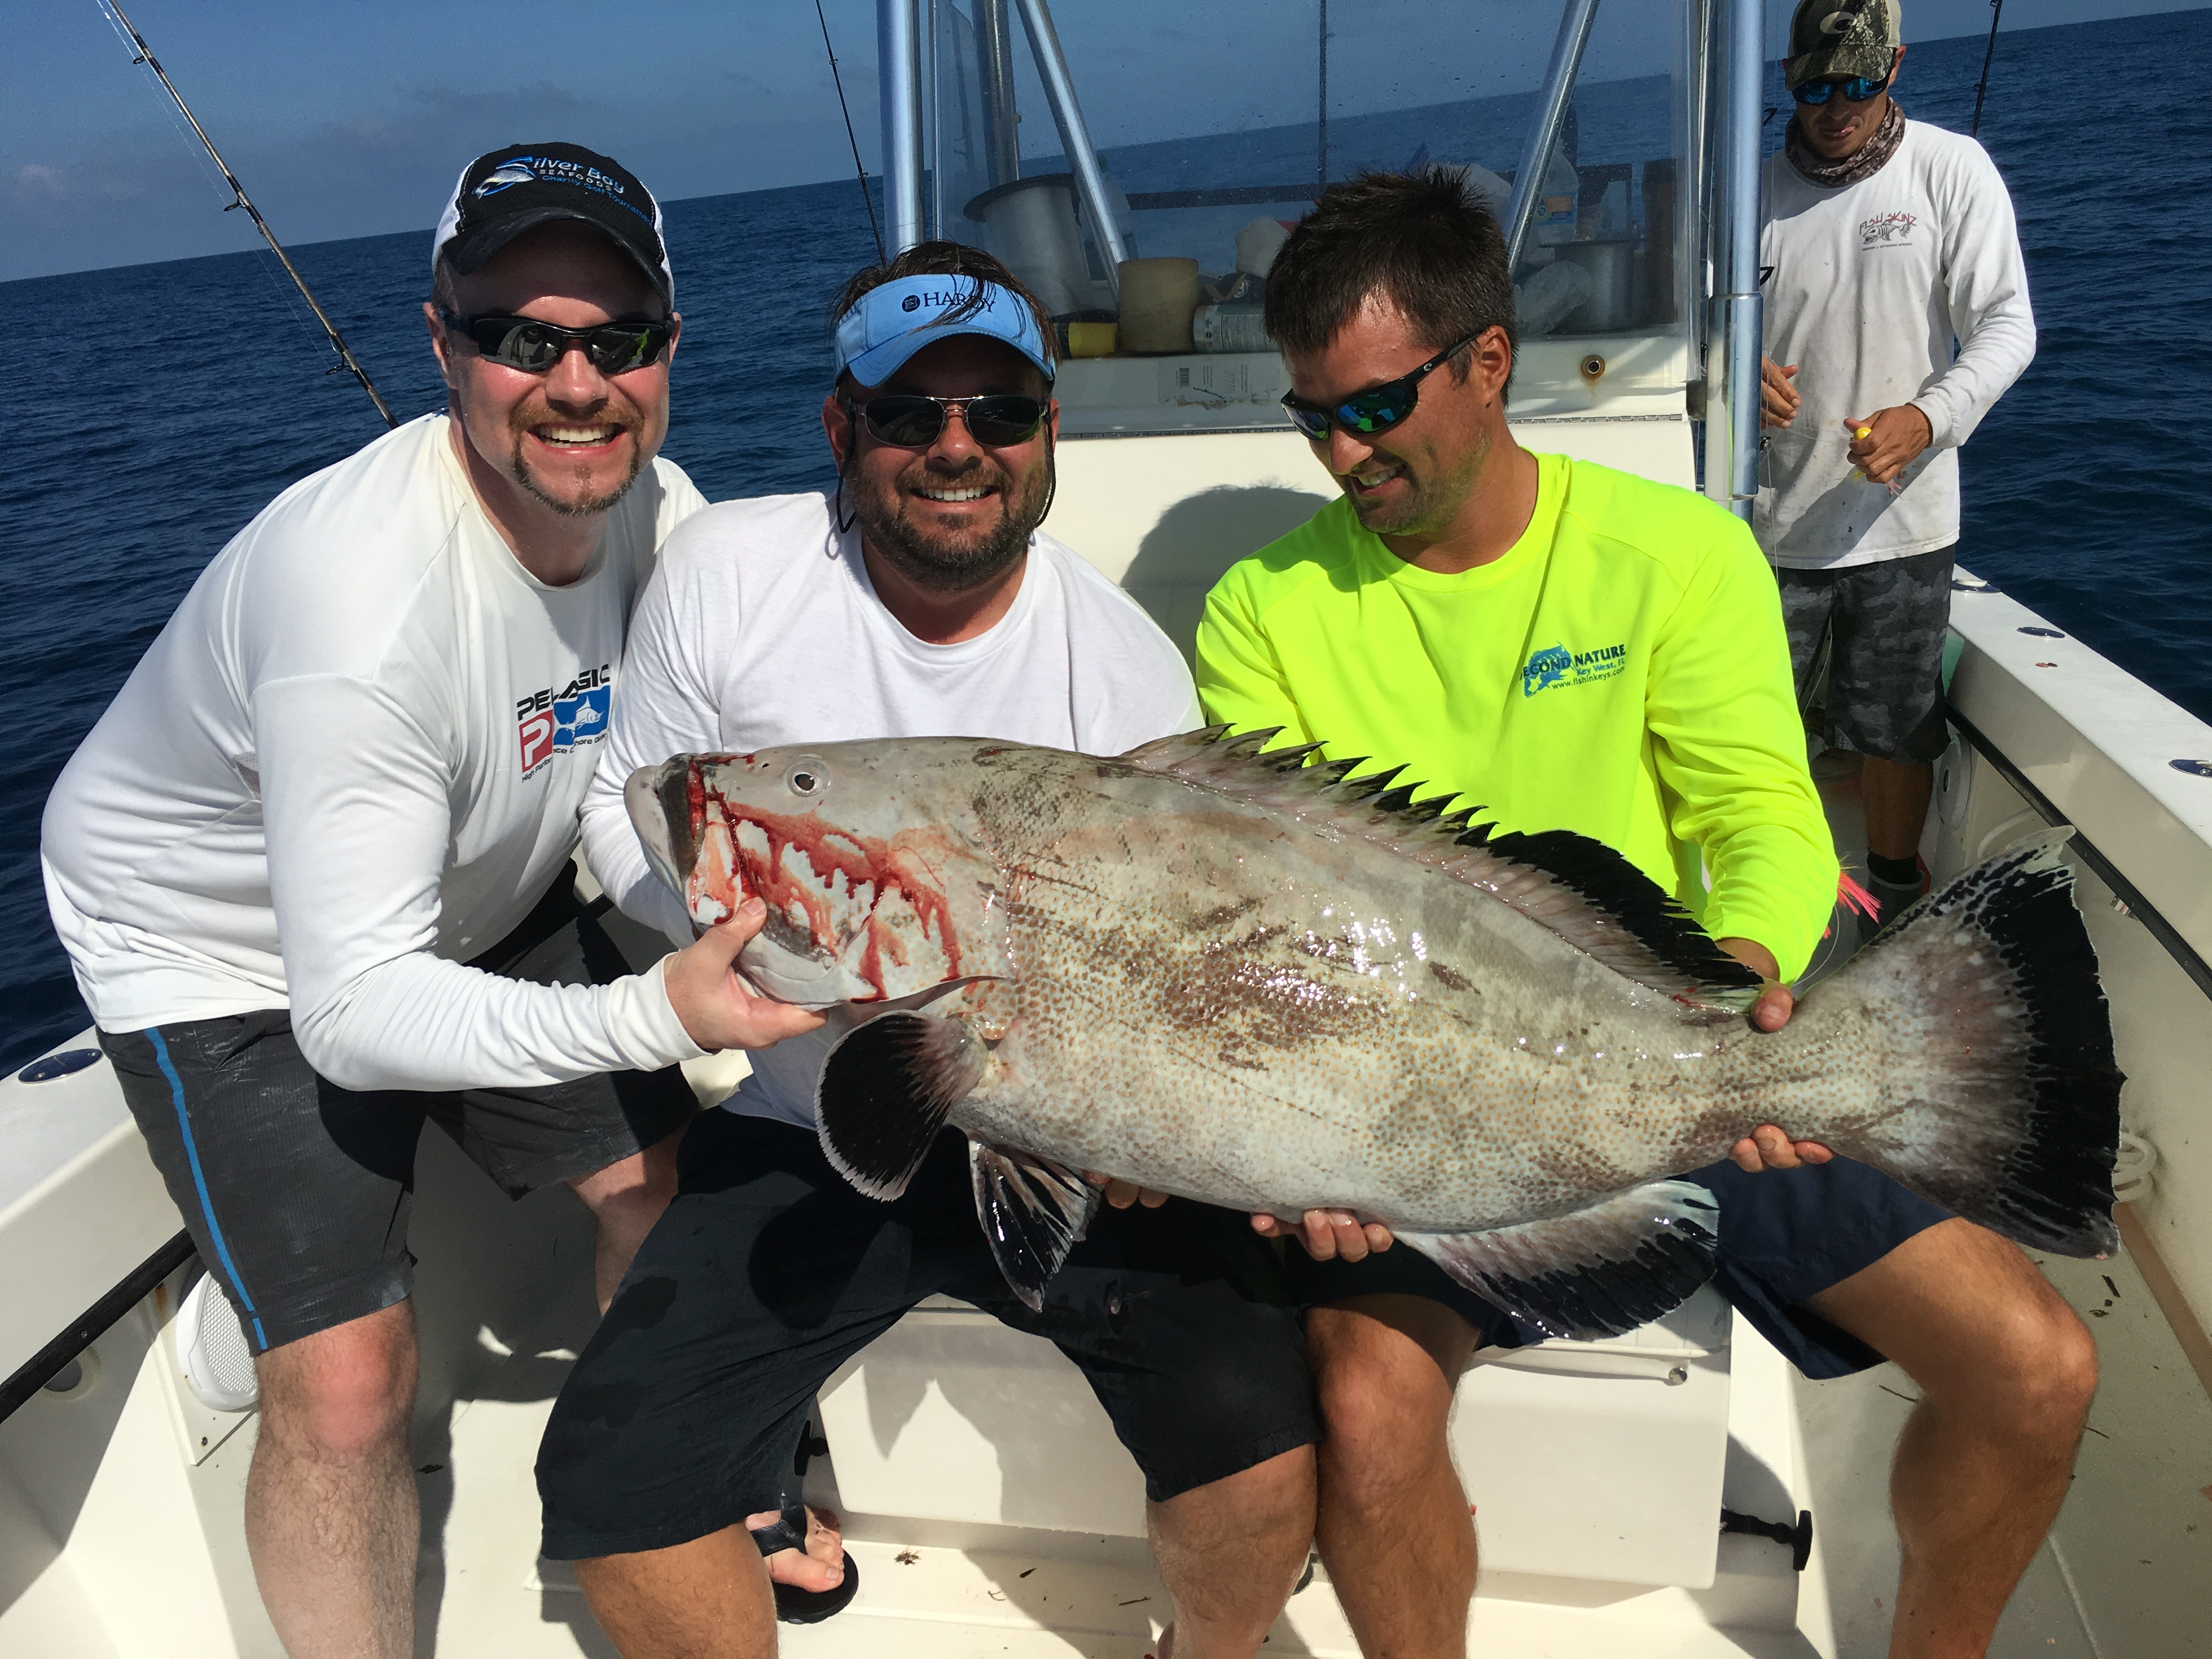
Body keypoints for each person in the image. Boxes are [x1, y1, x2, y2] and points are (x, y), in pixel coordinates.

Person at [1194, 168, 2095, 1659]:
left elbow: (1760, 820)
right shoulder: (1260, 610)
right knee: (1365, 1402)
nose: (1342, 453)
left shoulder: (1676, 552)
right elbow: (1283, 916)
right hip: (1423, 1109)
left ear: (1488, 362)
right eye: (1312, 415)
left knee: (2038, 1367)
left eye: (1371, 407)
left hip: (1684, 1059)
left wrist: (1748, 984)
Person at [40, 143, 819, 1659]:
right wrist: (661, 1003)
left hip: (482, 872)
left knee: (659, 1193)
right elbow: (350, 1009)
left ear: (671, 350)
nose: (577, 380)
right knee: (346, 1380)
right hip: (225, 951)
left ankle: (696, 1491)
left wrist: (713, 915)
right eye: (524, 338)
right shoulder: (364, 602)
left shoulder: (663, 510)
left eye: (620, 337)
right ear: (442, 344)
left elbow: (613, 783)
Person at [541, 241, 1320, 1659]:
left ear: (1047, 436)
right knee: (612, 1484)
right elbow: (619, 809)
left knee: (1260, 1447)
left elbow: (1190, 967)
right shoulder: (728, 576)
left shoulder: (1126, 669)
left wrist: (1154, 1130)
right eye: (909, 413)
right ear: (842, 429)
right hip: (805, 1127)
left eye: (998, 411)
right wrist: (716, 958)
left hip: (1067, 1129)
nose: (956, 447)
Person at [1757, 0, 2035, 949]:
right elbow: (1698, 336)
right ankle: (1783, 902)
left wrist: (1928, 418)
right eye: (1816, 85)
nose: (1837, 105)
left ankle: (1890, 897)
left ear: (1897, 66)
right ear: (1789, 75)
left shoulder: (1951, 170)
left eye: (1860, 83)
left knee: (1895, 727)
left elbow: (2007, 324)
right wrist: (1735, 370)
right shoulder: (1749, 195)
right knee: (1755, 733)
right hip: (1765, 526)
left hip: (1902, 520)